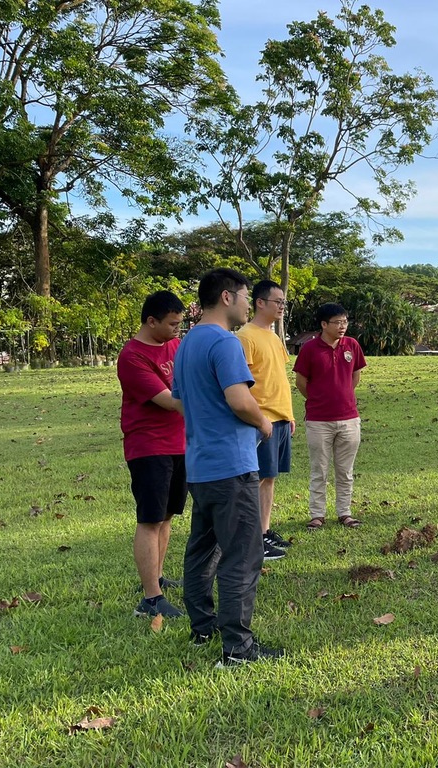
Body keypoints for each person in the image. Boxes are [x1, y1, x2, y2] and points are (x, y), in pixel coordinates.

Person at [172, 268, 283, 666]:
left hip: (199, 466)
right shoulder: (224, 342)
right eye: (244, 296)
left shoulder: (186, 344)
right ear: (226, 298)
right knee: (243, 553)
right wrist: (263, 421)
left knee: (202, 549)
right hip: (231, 467)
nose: (246, 303)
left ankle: (203, 627)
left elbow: (184, 401)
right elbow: (239, 399)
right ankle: (237, 649)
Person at [117, 290, 188, 619]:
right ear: (151, 321)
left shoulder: (173, 344)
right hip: (149, 447)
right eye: (173, 324)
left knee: (168, 515)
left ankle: (157, 577)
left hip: (179, 443)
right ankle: (150, 599)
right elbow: (171, 401)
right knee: (149, 520)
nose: (178, 329)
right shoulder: (132, 357)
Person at [293, 303, 367, 530]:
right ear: (324, 324)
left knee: (345, 471)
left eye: (345, 321)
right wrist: (317, 400)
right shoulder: (309, 349)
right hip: (318, 420)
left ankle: (344, 512)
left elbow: (355, 377)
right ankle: (317, 514)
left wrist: (342, 397)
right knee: (319, 469)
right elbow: (301, 382)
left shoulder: (352, 345)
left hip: (348, 418)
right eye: (337, 322)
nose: (342, 326)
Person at [238, 280, 294, 561]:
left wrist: (290, 414)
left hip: (280, 418)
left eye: (284, 302)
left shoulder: (272, 336)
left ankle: (265, 530)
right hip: (262, 421)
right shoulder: (245, 336)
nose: (282, 307)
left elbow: (278, 378)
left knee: (269, 478)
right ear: (260, 303)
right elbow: (243, 384)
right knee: (257, 479)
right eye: (278, 302)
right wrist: (260, 418)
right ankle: (254, 538)